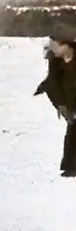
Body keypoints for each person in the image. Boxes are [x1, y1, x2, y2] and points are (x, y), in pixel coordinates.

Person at [34, 30, 76, 177]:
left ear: (66, 45)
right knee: (72, 129)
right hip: (68, 101)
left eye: (54, 45)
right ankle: (71, 166)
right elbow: (52, 84)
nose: (51, 47)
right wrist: (61, 104)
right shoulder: (55, 63)